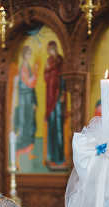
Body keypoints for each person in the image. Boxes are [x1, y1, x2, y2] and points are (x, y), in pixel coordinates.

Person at [12, 45, 39, 164]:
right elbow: (30, 83)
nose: (29, 56)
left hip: (29, 100)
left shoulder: (28, 67)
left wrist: (35, 102)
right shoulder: (23, 68)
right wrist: (37, 71)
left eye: (30, 54)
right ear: (24, 55)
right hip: (23, 101)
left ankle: (29, 152)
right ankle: (17, 156)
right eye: (27, 54)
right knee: (23, 126)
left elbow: (33, 88)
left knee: (31, 125)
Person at [43, 41, 66, 170]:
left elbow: (63, 77)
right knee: (52, 126)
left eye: (54, 49)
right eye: (50, 49)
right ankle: (52, 157)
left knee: (59, 126)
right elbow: (46, 79)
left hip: (58, 96)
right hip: (50, 97)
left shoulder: (60, 61)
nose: (52, 51)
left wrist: (62, 92)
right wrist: (47, 69)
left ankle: (60, 158)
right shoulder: (49, 62)